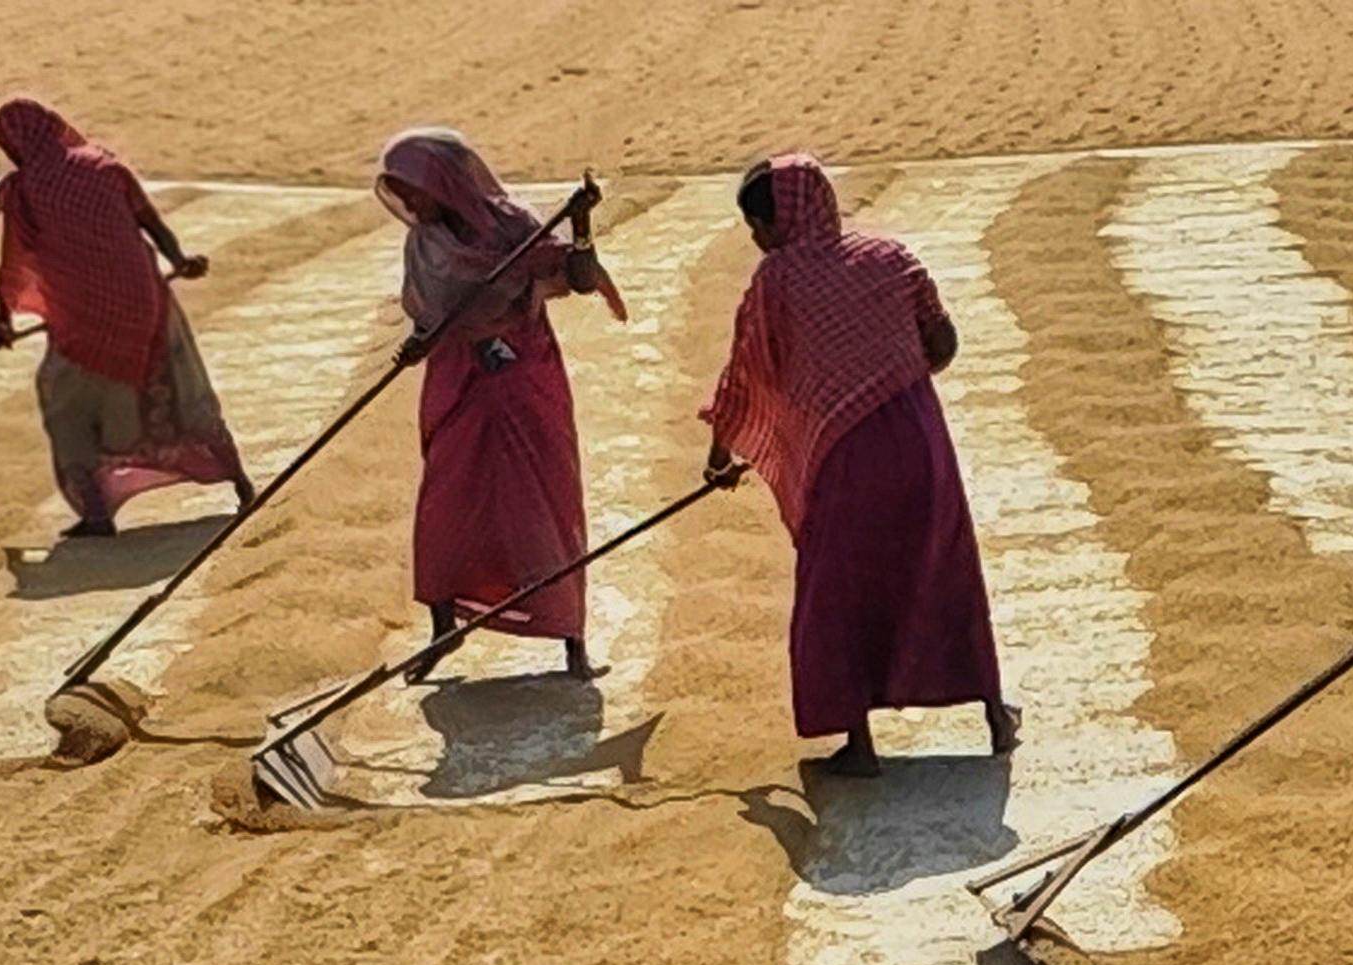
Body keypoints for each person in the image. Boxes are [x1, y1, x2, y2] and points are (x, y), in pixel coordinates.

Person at [698, 156, 1016, 775]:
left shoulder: (777, 281)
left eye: (759, 225)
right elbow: (942, 345)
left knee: (838, 594)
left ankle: (861, 747)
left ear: (782, 218)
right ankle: (996, 717)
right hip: (922, 444)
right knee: (946, 575)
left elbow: (745, 377)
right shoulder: (893, 258)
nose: (759, 239)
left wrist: (719, 459)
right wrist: (887, 367)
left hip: (845, 461)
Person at [382, 131, 622, 678]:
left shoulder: (512, 226)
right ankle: (444, 629)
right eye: (402, 195)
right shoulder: (424, 242)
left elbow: (580, 279)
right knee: (447, 501)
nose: (412, 206)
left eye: (415, 192)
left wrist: (580, 224)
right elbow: (429, 315)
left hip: (522, 377)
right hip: (456, 382)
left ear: (442, 182)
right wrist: (420, 342)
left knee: (542, 501)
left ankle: (571, 638)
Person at [0, 96, 249, 540]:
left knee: (65, 403)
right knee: (182, 389)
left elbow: (15, 260)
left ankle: (96, 513)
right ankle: (240, 481)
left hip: (83, 319)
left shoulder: (26, 188)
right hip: (146, 302)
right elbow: (149, 221)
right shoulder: (103, 166)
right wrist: (179, 259)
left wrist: (3, 320)